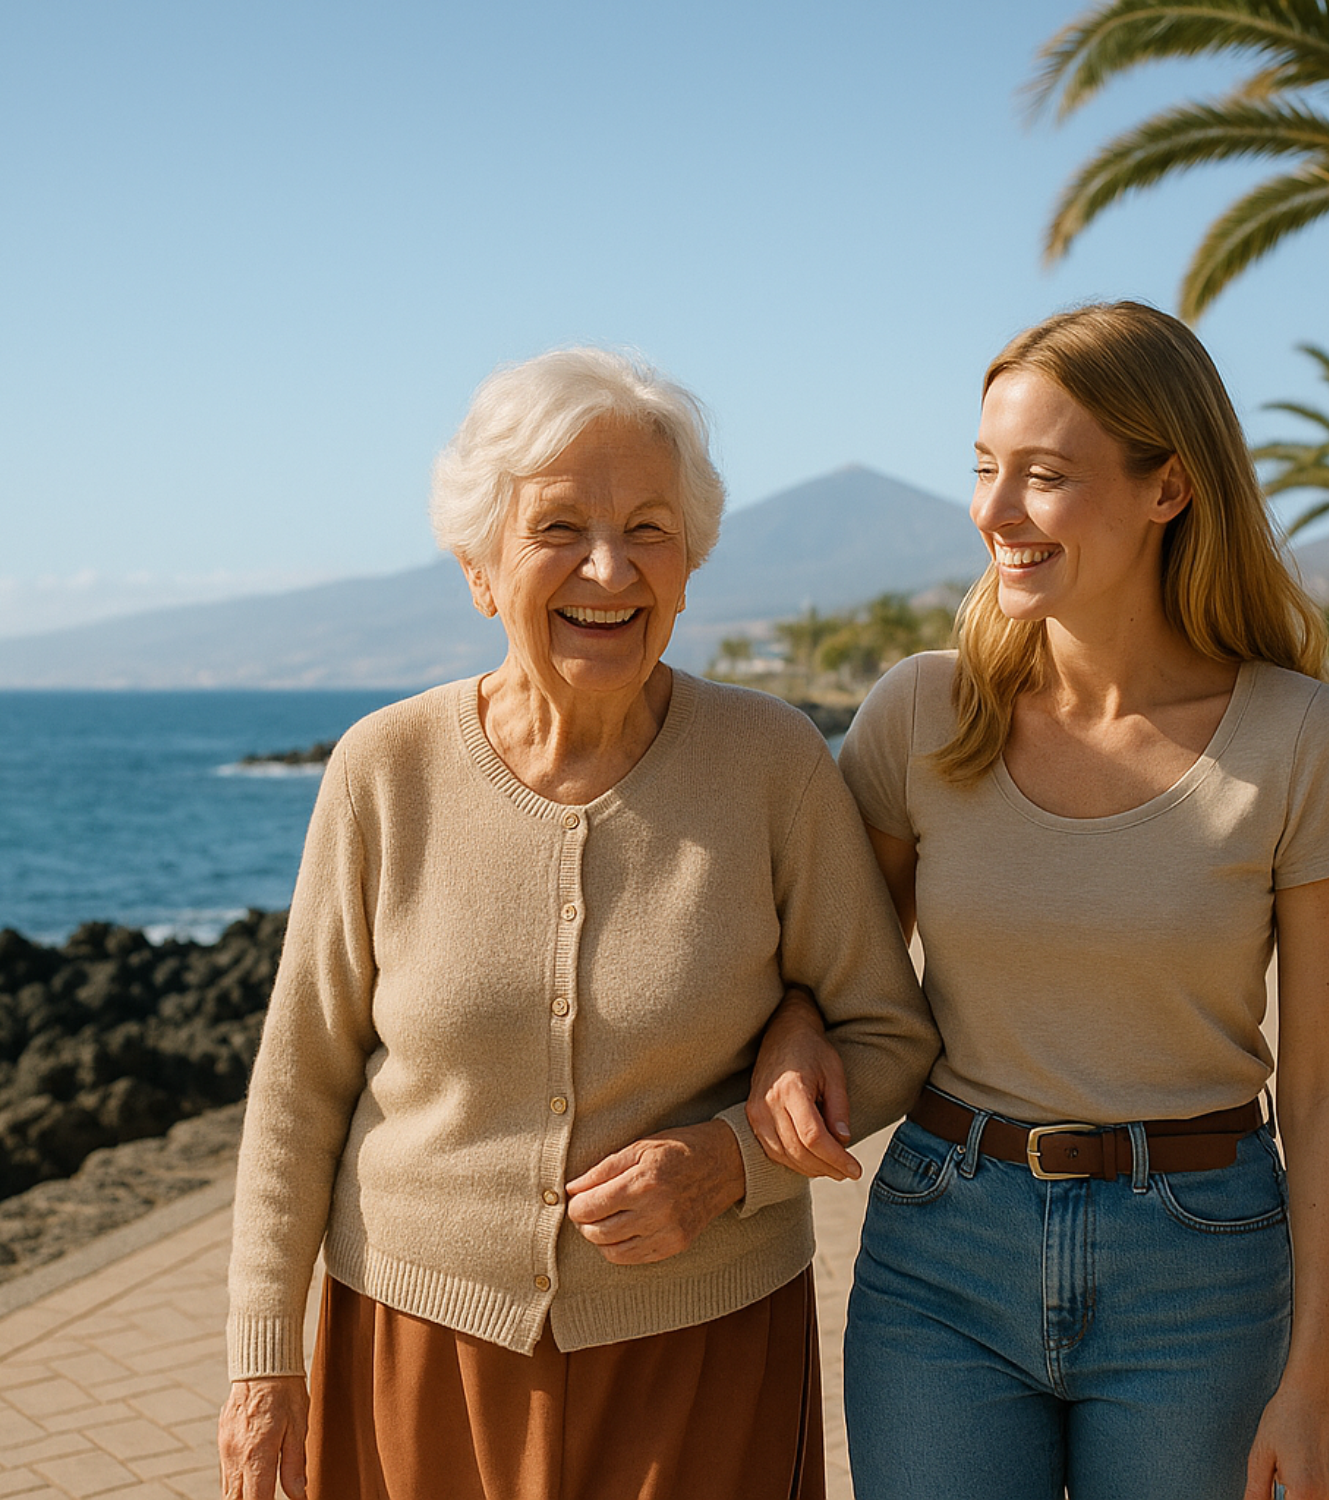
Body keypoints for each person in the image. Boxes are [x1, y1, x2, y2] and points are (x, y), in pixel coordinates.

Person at [216, 347, 936, 1500]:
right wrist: (264, 1369)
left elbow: (888, 1035)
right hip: (416, 1349)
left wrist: (727, 1165)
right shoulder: (382, 769)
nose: (610, 567)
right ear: (480, 568)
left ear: (691, 566)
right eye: (559, 526)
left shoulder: (773, 765)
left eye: (650, 528)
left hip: (702, 1357)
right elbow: (299, 1087)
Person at [749, 302, 1329, 1500]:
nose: (994, 512)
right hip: (943, 1250)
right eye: (987, 470)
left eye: (1043, 477)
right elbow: (836, 974)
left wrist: (1318, 1384)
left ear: (1170, 488)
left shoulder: (1300, 738)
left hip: (1201, 1269)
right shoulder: (921, 715)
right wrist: (795, 1026)